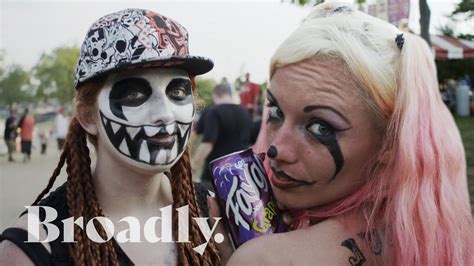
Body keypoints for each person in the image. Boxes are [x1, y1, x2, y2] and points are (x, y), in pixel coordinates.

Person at [211, 3, 473, 265]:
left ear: (391, 142)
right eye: (276, 113)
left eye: (320, 128)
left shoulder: (267, 258)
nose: (276, 148)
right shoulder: (432, 237)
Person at [0, 9, 220, 265]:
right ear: (88, 117)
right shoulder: (35, 245)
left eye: (178, 91)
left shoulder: (211, 213)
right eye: (135, 95)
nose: (165, 114)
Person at [192, 84, 253, 190]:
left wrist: (193, 164)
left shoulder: (213, 111)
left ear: (215, 95)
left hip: (216, 174)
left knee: (207, 203)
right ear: (229, 94)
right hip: (241, 171)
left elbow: (207, 143)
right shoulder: (245, 113)